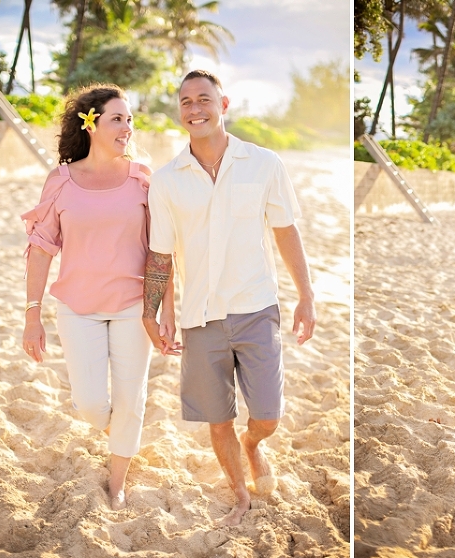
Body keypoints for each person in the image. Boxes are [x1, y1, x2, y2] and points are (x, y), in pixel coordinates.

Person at [141, 70, 316, 526]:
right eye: (185, 101)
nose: (195, 108)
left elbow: (285, 231)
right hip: (200, 317)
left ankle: (253, 445)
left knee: (267, 416)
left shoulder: (264, 163)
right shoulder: (166, 180)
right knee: (217, 419)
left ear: (224, 104)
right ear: (179, 110)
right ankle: (240, 494)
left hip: (257, 306)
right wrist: (152, 311)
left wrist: (306, 296)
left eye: (204, 99)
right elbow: (160, 254)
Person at [21, 84, 175, 511]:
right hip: (77, 308)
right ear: (91, 124)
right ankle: (121, 433)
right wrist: (32, 314)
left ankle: (118, 482)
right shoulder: (61, 181)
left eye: (130, 119)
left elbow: (162, 250)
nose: (127, 127)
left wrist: (166, 310)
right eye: (117, 119)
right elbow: (40, 248)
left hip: (133, 308)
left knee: (132, 399)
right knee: (91, 403)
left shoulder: (143, 178)